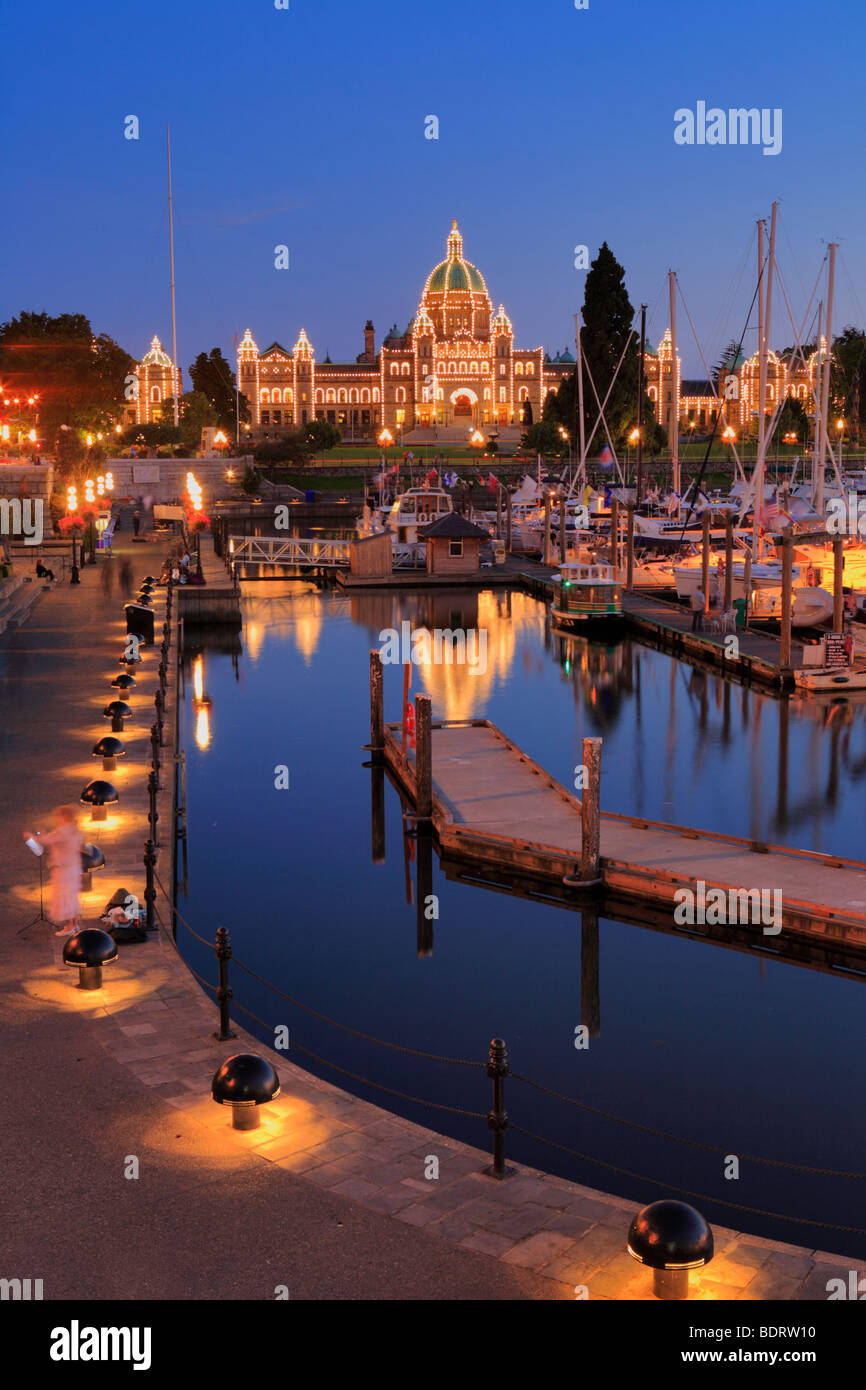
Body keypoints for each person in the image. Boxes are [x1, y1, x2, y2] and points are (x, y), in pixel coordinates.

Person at [22, 806, 84, 936]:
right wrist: (43, 834)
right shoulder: (75, 830)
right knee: (71, 897)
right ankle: (74, 925)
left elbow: (44, 841)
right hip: (73, 868)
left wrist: (29, 837)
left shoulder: (63, 831)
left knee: (64, 898)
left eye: (58, 816)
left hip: (63, 870)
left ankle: (69, 927)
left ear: (65, 816)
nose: (56, 819)